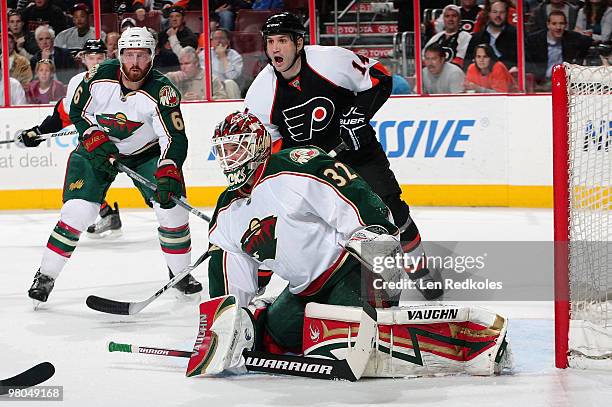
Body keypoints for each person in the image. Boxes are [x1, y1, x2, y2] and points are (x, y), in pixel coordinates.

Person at [205, 111, 439, 358]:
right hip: (304, 291)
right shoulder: (226, 211)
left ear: (259, 146)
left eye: (235, 148)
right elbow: (230, 274)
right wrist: (226, 322)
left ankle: (402, 333)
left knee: (345, 335)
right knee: (271, 338)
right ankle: (270, 314)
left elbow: (355, 197)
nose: (228, 158)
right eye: (223, 151)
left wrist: (376, 237)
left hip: (352, 271)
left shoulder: (294, 166)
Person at [244, 12, 443, 301]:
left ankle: (419, 270)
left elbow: (381, 79)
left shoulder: (331, 61)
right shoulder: (261, 92)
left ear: (299, 43)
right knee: (291, 224)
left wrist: (359, 115)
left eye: (283, 41)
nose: (275, 49)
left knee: (392, 212)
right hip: (311, 171)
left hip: (358, 153)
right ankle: (260, 282)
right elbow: (270, 148)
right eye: (270, 42)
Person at [26, 27, 202, 306]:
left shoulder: (163, 92)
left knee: (173, 210)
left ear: (152, 57)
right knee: (77, 212)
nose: (134, 63)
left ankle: (180, 273)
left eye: (141, 56)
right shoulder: (98, 77)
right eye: (129, 55)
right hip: (96, 150)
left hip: (145, 154)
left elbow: (174, 136)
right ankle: (45, 275)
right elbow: (77, 111)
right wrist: (93, 137)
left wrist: (168, 170)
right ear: (119, 56)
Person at [17, 40, 124, 237]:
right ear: (83, 59)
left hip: (126, 140)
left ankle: (169, 216)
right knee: (83, 176)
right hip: (96, 145)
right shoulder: (77, 82)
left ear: (106, 58)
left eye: (100, 58)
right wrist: (38, 132)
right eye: (91, 58)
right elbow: (63, 114)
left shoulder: (120, 79)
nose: (96, 63)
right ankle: (107, 213)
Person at [525, 10, 593, 90]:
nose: (558, 27)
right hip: (541, 83)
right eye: (554, 24)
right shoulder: (534, 40)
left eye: (561, 23)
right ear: (548, 25)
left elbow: (588, 41)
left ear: (566, 25)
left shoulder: (572, 37)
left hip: (566, 83)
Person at [463, 0, 518, 71]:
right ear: (489, 13)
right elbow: (467, 63)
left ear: (507, 13)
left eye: (502, 12)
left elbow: (526, 61)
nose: (498, 15)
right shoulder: (477, 38)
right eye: (495, 12)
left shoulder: (516, 35)